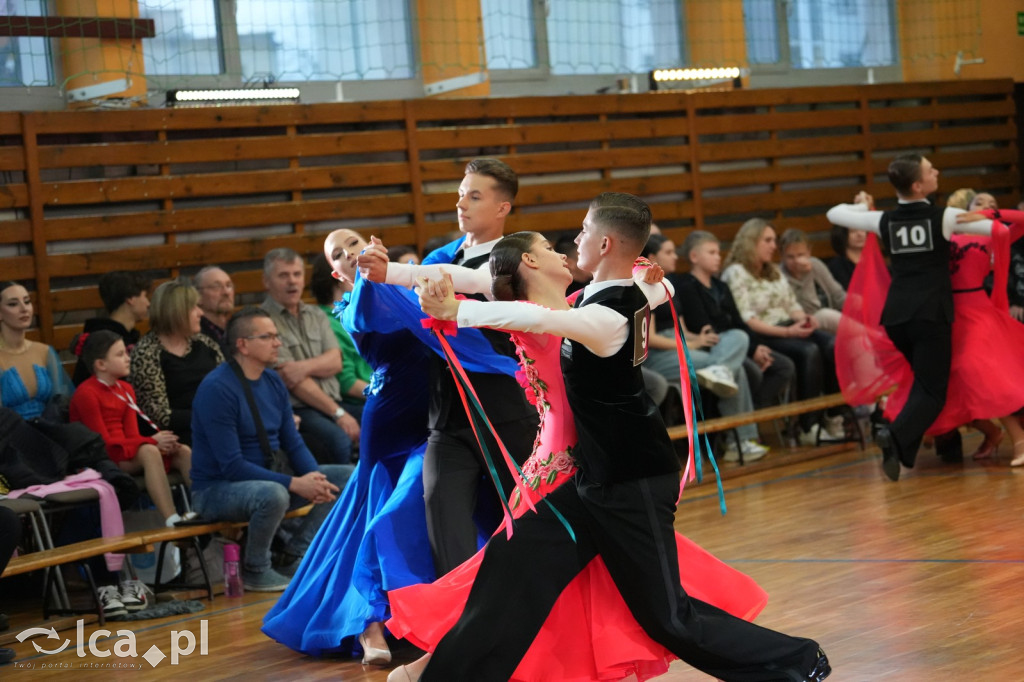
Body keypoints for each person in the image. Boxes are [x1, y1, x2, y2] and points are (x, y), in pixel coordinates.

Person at [401, 193, 829, 682]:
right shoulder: (616, 294)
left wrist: (460, 312)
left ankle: (797, 660)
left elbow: (544, 319)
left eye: (582, 231)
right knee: (511, 568)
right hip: (590, 479)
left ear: (604, 242)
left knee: (668, 619)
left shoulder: (605, 316)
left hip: (633, 480)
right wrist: (395, 275)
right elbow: (641, 291)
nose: (574, 239)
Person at [357, 157, 539, 577]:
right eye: (460, 194)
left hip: (506, 412)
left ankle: (540, 617)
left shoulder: (520, 258)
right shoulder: (440, 256)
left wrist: (400, 277)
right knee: (444, 522)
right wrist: (374, 277)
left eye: (474, 196)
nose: (462, 204)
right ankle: (457, 630)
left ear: (502, 208)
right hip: (447, 416)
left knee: (531, 520)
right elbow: (395, 308)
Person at [262, 229, 434, 662]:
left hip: (436, 417)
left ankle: (426, 610)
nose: (348, 254)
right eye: (337, 255)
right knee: (379, 514)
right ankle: (367, 622)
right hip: (391, 420)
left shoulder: (413, 281)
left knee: (426, 507)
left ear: (375, 244)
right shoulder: (356, 302)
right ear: (337, 274)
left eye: (354, 243)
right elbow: (379, 312)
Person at [826, 154, 995, 480]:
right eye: (931, 170)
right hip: (930, 315)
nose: (937, 172)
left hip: (897, 318)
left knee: (922, 385)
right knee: (933, 392)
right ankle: (896, 435)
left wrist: (863, 207)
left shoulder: (884, 220)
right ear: (918, 185)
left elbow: (834, 213)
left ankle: (917, 447)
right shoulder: (945, 217)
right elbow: (992, 227)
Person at [190, 308, 353, 592]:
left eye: (277, 336)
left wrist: (314, 479)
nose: (278, 343)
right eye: (268, 337)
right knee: (273, 493)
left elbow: (292, 441)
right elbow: (232, 466)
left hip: (270, 476)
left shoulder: (273, 380)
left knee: (348, 476)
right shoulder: (217, 389)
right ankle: (256, 568)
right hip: (217, 490)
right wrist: (294, 483)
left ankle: (294, 553)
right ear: (243, 344)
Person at [641, 233, 768, 460]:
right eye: (668, 252)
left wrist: (696, 339)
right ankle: (739, 442)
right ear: (651, 257)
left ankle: (738, 439)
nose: (674, 257)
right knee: (733, 368)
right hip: (660, 354)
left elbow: (681, 328)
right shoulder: (645, 286)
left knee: (737, 336)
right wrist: (692, 344)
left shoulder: (668, 285)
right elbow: (649, 338)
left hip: (680, 345)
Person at [721, 219, 840, 443]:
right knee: (809, 351)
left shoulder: (773, 271)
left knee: (831, 344)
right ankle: (807, 426)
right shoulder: (736, 272)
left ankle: (834, 416)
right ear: (751, 242)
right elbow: (747, 319)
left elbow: (791, 306)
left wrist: (804, 319)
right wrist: (787, 333)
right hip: (763, 334)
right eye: (767, 240)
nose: (773, 246)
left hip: (789, 326)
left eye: (774, 240)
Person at [70, 330, 194, 526]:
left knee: (183, 451)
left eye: (126, 353)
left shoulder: (125, 389)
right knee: (150, 451)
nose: (128, 358)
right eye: (120, 355)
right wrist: (153, 441)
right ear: (100, 364)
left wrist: (161, 444)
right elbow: (102, 444)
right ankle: (171, 518)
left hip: (128, 452)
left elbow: (132, 434)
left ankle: (204, 508)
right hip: (106, 458)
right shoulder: (86, 393)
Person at [674, 231, 797, 412]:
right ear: (694, 256)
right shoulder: (686, 286)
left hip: (736, 342)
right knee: (750, 371)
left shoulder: (720, 286)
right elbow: (703, 325)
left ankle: (755, 413)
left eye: (718, 252)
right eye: (711, 252)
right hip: (714, 344)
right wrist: (749, 347)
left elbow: (739, 321)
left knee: (782, 365)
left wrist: (756, 347)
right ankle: (740, 421)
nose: (718, 257)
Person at [261, 248, 360, 465]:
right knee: (339, 440)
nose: (292, 282)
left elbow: (336, 361)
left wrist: (301, 368)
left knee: (381, 418)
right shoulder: (263, 321)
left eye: (296, 274)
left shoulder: (316, 315)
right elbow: (291, 380)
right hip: (300, 408)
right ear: (267, 281)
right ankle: (341, 496)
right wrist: (338, 413)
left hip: (334, 401)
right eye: (283, 275)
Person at [130, 280, 223, 446]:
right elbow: (158, 414)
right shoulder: (147, 352)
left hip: (217, 423)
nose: (200, 313)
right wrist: (210, 416)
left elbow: (229, 385)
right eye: (194, 307)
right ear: (176, 312)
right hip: (178, 435)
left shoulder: (205, 343)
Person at [309, 252, 371, 421]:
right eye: (355, 270)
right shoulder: (327, 321)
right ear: (337, 276)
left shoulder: (355, 315)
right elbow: (347, 383)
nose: (361, 276)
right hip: (360, 402)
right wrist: (388, 396)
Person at [0, 281, 74, 420]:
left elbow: (61, 402)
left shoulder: (44, 351)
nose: (24, 309)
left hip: (50, 432)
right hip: (10, 436)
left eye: (27, 302)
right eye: (13, 304)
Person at [72, 271, 150, 385]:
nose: (148, 303)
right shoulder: (102, 341)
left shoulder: (129, 336)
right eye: (145, 296)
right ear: (131, 299)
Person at [779, 229, 846, 333]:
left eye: (800, 255)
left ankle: (872, 338)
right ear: (782, 256)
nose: (796, 261)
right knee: (825, 315)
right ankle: (875, 338)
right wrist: (801, 275)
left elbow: (838, 295)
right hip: (802, 322)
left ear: (808, 252)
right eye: (790, 257)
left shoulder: (815, 265)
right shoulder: (779, 275)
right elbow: (801, 307)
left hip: (830, 319)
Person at [193, 265, 236, 352]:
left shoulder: (238, 328)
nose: (226, 292)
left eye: (229, 285)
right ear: (198, 296)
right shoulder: (195, 336)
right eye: (217, 287)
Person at [825, 224, 866, 289]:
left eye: (863, 230)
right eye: (853, 231)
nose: (860, 234)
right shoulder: (836, 265)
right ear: (842, 235)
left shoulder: (874, 260)